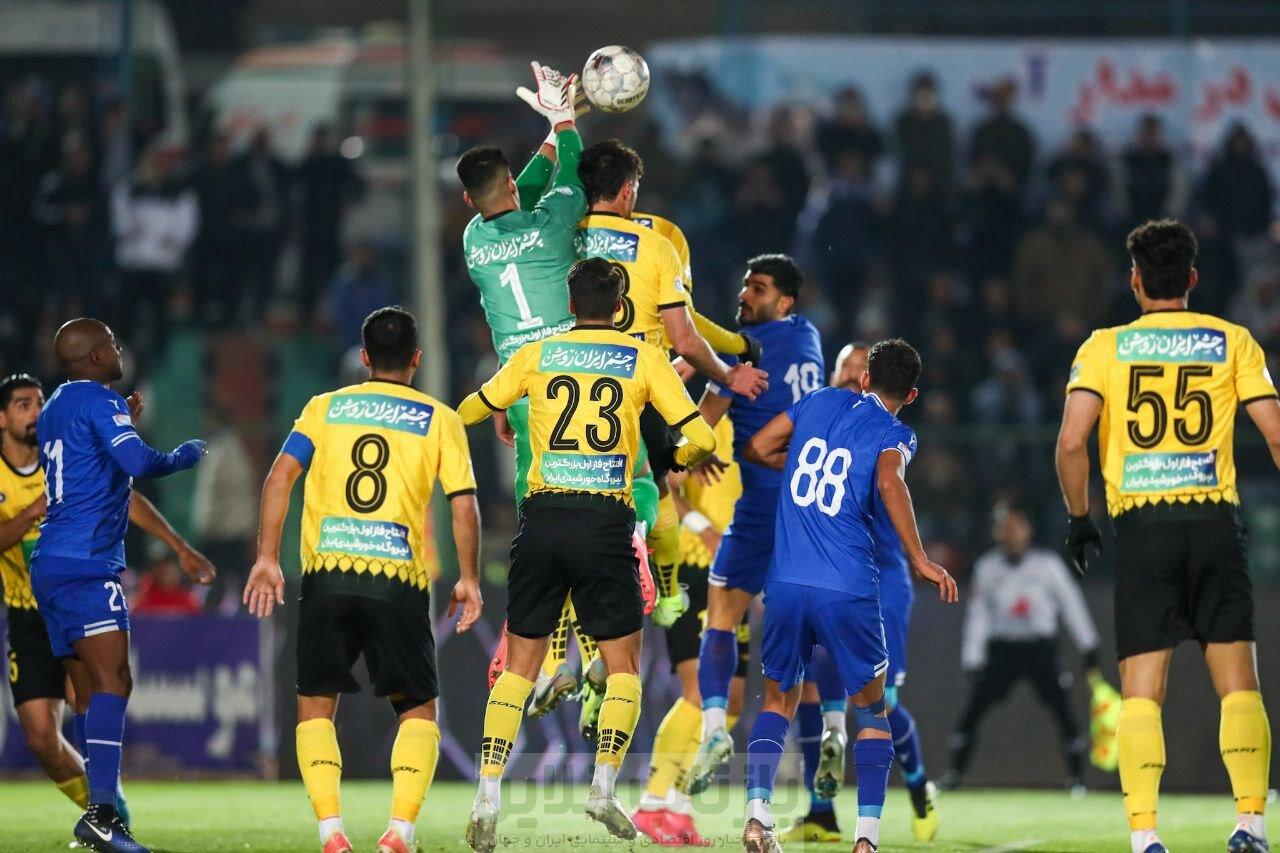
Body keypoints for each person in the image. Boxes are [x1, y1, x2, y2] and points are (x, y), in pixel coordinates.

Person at [457, 258, 716, 851]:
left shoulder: (538, 353)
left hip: (542, 519)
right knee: (623, 668)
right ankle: (602, 787)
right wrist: (676, 456)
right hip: (605, 523)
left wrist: (478, 415)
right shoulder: (643, 358)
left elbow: (474, 407)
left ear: (570, 304)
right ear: (620, 306)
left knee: (519, 669)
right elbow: (699, 437)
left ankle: (487, 794)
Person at [1056, 218, 1279, 853]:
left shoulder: (1104, 347)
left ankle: (1146, 835)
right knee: (1239, 686)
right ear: (1192, 279)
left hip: (1144, 531)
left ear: (1135, 280)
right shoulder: (1231, 340)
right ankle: (1251, 825)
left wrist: (1080, 519)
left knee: (1141, 695)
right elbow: (1276, 432)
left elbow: (1071, 442)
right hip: (1214, 524)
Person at [243, 306, 483, 853]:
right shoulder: (440, 418)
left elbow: (280, 476)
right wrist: (468, 577)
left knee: (315, 705)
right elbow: (463, 505)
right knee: (417, 708)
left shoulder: (323, 408)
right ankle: (400, 832)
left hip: (326, 577)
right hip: (397, 580)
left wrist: (267, 558)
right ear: (417, 359)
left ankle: (332, 833)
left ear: (366, 356)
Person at [737, 339, 958, 853]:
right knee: (873, 710)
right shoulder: (896, 433)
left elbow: (758, 447)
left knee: (778, 700)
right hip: (847, 586)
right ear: (912, 394)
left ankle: (757, 815)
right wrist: (920, 557)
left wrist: (798, 467)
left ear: (864, 378)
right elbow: (889, 481)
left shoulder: (819, 400)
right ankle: (866, 839)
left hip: (785, 582)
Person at [576, 138, 767, 675]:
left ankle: (576, 652)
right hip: (639, 393)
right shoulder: (660, 241)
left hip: (567, 390)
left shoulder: (562, 235)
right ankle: (660, 585)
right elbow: (684, 335)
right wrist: (730, 365)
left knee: (564, 508)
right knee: (665, 475)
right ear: (628, 190)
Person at [0, 372, 215, 831]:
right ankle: (100, 808)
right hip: (29, 611)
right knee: (42, 739)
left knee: (93, 693)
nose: (35, 412)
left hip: (74, 593)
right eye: (22, 404)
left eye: (39, 402)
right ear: (2, 418)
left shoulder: (66, 446)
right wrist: (32, 511)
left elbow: (125, 496)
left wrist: (179, 546)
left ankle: (106, 811)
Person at [783, 342, 940, 845]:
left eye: (860, 368)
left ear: (871, 380)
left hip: (881, 577)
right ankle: (822, 810)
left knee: (877, 698)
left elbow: (890, 483)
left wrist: (919, 557)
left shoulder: (884, 434)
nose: (853, 375)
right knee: (811, 683)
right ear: (837, 377)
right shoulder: (824, 419)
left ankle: (917, 782)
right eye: (845, 368)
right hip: (830, 578)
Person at [684, 253, 823, 793]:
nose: (745, 295)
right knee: (803, 649)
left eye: (758, 288)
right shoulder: (809, 335)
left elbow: (700, 426)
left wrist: (686, 453)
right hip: (814, 511)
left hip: (764, 507)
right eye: (745, 285)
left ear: (782, 302)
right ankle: (824, 745)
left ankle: (715, 729)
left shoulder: (744, 350)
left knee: (720, 616)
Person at [631, 420, 750, 846]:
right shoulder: (710, 423)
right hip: (693, 568)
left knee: (732, 699)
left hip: (734, 575)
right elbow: (666, 485)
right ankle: (652, 803)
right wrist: (704, 528)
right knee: (699, 692)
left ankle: (678, 806)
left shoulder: (770, 430)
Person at [944, 502, 1099, 793]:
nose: (1012, 534)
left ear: (1028, 530)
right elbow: (978, 615)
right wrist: (972, 658)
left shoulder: (1047, 565)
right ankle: (955, 773)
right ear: (997, 533)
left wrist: (1088, 643)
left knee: (1063, 709)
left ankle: (1077, 778)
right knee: (974, 709)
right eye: (1006, 528)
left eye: (1017, 527)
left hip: (1040, 649)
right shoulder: (987, 568)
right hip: (1003, 649)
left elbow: (1071, 603)